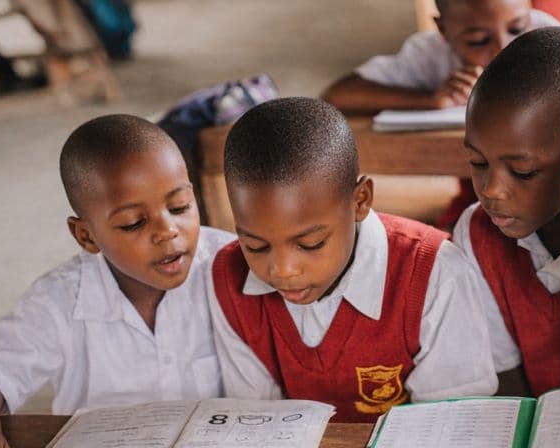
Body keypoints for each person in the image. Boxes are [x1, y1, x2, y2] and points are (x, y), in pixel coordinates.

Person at [0, 114, 233, 448]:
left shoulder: (230, 267)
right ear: (86, 235)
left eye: (179, 207)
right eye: (133, 223)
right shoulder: (61, 300)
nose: (167, 232)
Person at [209, 97, 498, 422]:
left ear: (360, 200)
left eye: (310, 243)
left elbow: (449, 424)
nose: (282, 270)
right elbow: (256, 422)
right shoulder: (229, 277)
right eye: (256, 246)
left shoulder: (434, 273)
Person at [452, 27, 560, 397]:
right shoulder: (477, 233)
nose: (491, 190)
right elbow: (502, 376)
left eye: (523, 172)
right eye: (478, 162)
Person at [322, 0, 560, 229]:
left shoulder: (552, 40)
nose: (503, 49)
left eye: (517, 29)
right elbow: (339, 94)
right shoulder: (430, 52)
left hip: (552, 195)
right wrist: (429, 99)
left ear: (529, 11)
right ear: (443, 30)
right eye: (478, 40)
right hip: (474, 196)